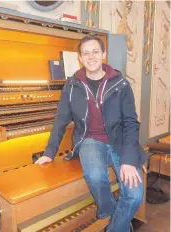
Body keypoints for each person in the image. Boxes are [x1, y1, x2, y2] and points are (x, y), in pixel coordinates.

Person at [35, 35, 147, 232]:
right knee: (95, 177)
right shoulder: (72, 85)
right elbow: (61, 120)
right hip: (90, 140)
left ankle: (114, 226)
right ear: (80, 58)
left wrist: (130, 160)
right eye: (85, 53)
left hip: (120, 141)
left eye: (95, 51)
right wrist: (49, 153)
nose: (91, 56)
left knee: (135, 194)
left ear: (103, 54)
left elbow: (130, 123)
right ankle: (115, 216)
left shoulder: (120, 84)